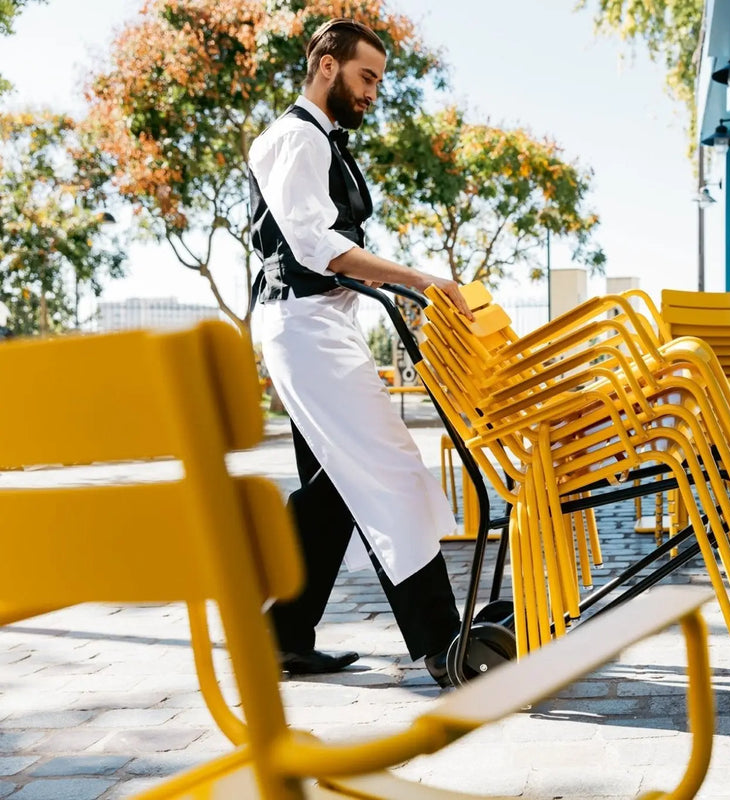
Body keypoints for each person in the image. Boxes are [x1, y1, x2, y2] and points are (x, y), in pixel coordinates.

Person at [248, 18, 475, 687]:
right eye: (366, 76)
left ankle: (284, 636)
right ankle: (441, 642)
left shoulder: (316, 140)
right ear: (325, 65)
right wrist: (420, 278)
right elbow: (314, 244)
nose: (374, 92)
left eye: (378, 80)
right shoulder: (294, 137)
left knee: (333, 490)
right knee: (389, 467)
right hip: (307, 325)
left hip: (319, 322)